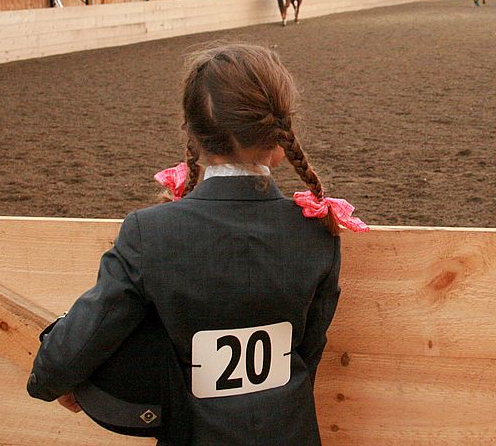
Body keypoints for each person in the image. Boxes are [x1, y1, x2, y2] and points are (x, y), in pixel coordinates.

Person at [27, 43, 368, 445]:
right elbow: (309, 351)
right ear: (278, 136)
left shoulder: (148, 232)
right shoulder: (317, 230)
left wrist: (57, 382)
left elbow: (81, 341)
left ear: (194, 133)